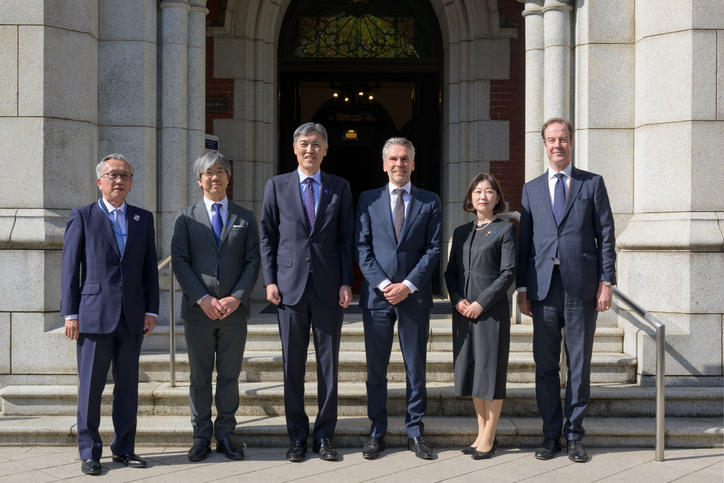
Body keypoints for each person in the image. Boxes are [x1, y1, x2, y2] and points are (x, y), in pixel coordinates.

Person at [517, 118, 616, 463]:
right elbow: (525, 242)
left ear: (571, 142)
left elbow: (606, 235)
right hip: (543, 288)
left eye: (562, 139)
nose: (557, 145)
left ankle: (574, 435)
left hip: (581, 288)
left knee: (578, 364)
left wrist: (606, 282)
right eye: (551, 140)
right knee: (545, 365)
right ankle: (550, 436)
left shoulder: (592, 183)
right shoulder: (531, 189)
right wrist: (522, 287)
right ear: (544, 145)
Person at [260, 122, 354, 462]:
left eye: (316, 144)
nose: (310, 149)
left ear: (326, 149)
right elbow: (267, 235)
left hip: (328, 288)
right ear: (294, 148)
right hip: (289, 288)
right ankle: (297, 437)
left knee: (328, 367)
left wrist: (347, 281)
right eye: (304, 143)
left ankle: (325, 436)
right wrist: (269, 280)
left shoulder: (340, 186)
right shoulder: (277, 185)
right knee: (292, 367)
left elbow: (346, 238)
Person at [61, 153, 159, 475]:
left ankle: (124, 449)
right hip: (93, 315)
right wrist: (70, 313)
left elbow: (150, 268)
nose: (119, 181)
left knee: (127, 388)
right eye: (113, 175)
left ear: (131, 182)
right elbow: (70, 268)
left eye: (125, 176)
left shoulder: (143, 218)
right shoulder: (83, 216)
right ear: (99, 181)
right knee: (91, 388)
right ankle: (90, 452)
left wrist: (151, 310)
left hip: (132, 317)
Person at [355, 137, 442, 460]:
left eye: (404, 159)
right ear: (384, 164)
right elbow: (362, 247)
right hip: (377, 299)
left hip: (414, 298)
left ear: (413, 164)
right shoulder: (368, 200)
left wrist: (407, 285)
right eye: (393, 159)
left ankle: (415, 431)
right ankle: (377, 432)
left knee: (415, 370)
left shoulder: (429, 201)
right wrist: (383, 284)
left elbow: (433, 248)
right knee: (376, 371)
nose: (399, 164)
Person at [171, 151, 260, 462]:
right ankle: (200, 435)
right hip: (199, 312)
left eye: (220, 171)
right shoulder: (185, 217)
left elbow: (252, 261)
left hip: (234, 312)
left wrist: (236, 297)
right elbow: (180, 261)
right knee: (199, 377)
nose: (215, 177)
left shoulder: (244, 218)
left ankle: (225, 433)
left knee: (229, 375)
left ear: (228, 177)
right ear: (199, 180)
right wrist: (203, 298)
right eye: (208, 172)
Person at [444, 172, 516, 460]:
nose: (482, 196)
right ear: (470, 198)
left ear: (497, 198)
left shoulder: (505, 230)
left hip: (491, 314)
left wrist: (481, 303)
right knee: (473, 371)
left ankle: (489, 435)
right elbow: (450, 272)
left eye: (488, 191)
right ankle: (481, 431)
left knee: (491, 372)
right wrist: (458, 300)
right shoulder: (461, 232)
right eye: (477, 191)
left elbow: (508, 273)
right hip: (463, 313)